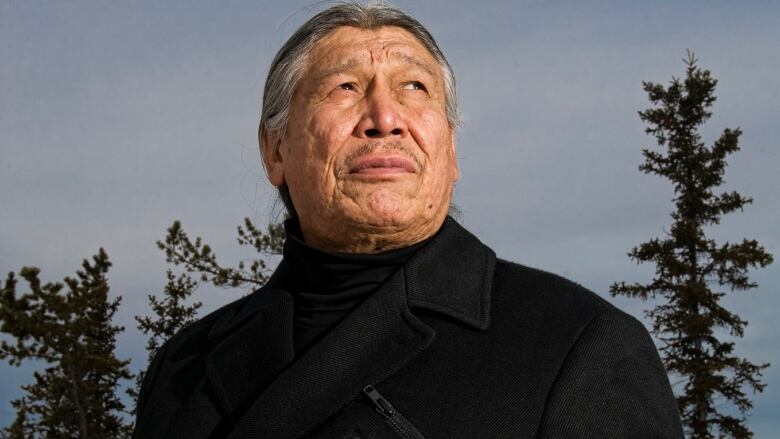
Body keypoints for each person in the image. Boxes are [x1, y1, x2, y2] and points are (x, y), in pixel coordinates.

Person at [133, 3, 684, 438]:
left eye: (414, 88)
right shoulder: (186, 366)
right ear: (275, 150)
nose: (384, 118)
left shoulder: (578, 346)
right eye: (344, 87)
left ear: (451, 150)